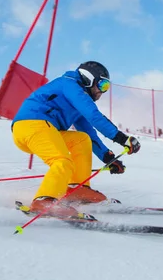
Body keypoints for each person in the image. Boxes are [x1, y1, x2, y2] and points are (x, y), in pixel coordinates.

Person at [11, 61, 141, 219]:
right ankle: (44, 200)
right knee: (62, 161)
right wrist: (122, 139)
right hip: (32, 125)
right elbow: (94, 116)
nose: (102, 92)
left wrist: (108, 157)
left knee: (82, 139)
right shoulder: (70, 85)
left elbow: (90, 132)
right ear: (88, 79)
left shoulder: (76, 101)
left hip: (44, 130)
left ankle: (77, 188)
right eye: (102, 85)